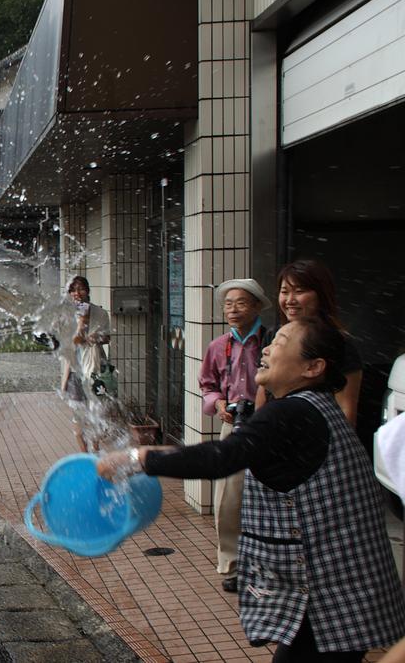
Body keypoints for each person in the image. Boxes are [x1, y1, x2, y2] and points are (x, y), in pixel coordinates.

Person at [99, 316, 405, 662]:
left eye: (282, 342)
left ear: (313, 367)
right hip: (352, 592)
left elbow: (220, 457)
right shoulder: (318, 407)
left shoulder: (289, 414)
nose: (268, 348)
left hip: (330, 598)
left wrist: (138, 457)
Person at [199, 278, 270, 593]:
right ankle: (231, 566)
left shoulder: (272, 342)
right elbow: (207, 385)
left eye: (240, 302)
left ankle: (270, 564)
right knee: (228, 498)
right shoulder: (218, 346)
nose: (233, 309)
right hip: (234, 425)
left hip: (271, 424)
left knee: (271, 496)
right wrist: (218, 404)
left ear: (256, 306)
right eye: (228, 303)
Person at [260, 259, 362, 426]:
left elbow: (346, 408)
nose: (290, 300)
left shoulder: (339, 343)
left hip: (314, 435)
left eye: (299, 291)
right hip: (277, 430)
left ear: (321, 295)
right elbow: (263, 392)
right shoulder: (273, 334)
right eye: (284, 292)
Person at [62, 276, 111, 452]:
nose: (77, 293)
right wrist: (65, 379)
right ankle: (84, 454)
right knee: (78, 415)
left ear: (88, 291)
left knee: (96, 412)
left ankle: (95, 452)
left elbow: (107, 337)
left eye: (81, 289)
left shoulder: (100, 313)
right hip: (76, 369)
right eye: (73, 290)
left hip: (96, 367)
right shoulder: (67, 316)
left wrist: (96, 336)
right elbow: (72, 343)